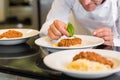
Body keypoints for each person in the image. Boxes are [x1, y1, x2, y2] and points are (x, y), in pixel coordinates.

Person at [40, 0, 120, 46]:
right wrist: (53, 29)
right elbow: (46, 28)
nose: (86, 2)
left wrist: (113, 42)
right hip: (77, 47)